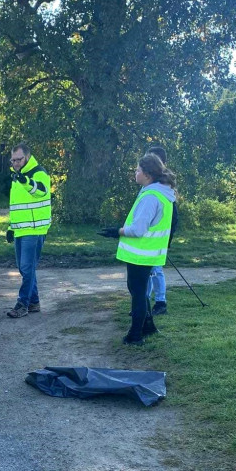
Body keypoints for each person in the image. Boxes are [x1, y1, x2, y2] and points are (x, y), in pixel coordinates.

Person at [100, 153, 176, 345]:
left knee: (138, 294)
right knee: (139, 292)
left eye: (138, 170)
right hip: (147, 253)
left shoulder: (151, 196)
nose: (135, 173)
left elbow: (139, 229)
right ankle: (148, 326)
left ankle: (135, 336)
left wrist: (117, 231)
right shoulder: (159, 193)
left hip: (140, 254)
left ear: (148, 175)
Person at [6, 143, 52, 318]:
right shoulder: (17, 177)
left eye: (18, 159)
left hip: (35, 229)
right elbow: (17, 206)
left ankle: (22, 304)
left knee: (27, 267)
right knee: (24, 268)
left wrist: (25, 181)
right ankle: (34, 302)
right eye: (13, 160)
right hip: (20, 230)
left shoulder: (38, 172)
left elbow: (40, 191)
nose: (15, 163)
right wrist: (11, 227)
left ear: (27, 157)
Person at [145, 146, 178, 316]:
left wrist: (167, 241)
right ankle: (144, 301)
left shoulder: (164, 186)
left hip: (158, 239)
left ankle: (160, 302)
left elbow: (174, 219)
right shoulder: (151, 184)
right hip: (149, 239)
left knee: (155, 270)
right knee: (149, 270)